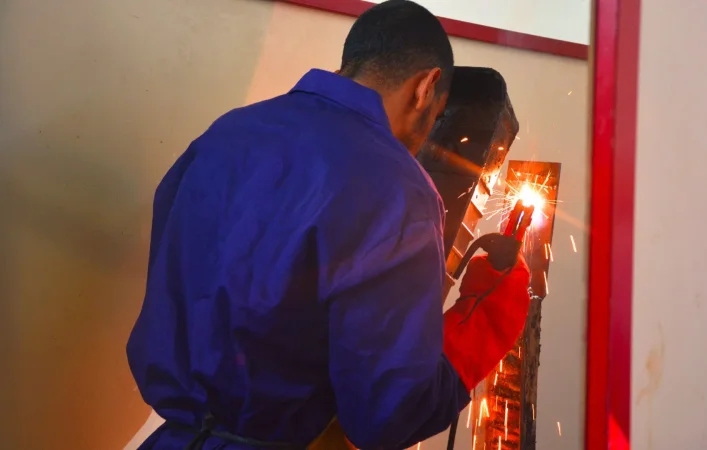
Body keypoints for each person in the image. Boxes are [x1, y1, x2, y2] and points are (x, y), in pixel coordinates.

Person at [126, 1, 531, 449]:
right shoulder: (400, 190)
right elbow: (386, 415)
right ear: (426, 87)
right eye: (435, 118)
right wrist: (487, 318)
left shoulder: (225, 134)